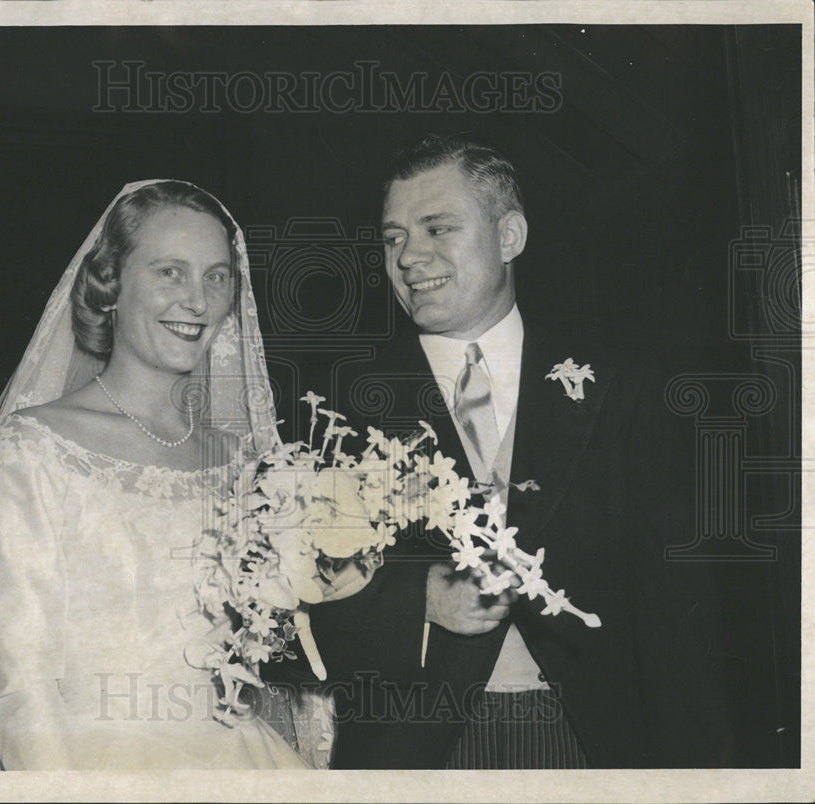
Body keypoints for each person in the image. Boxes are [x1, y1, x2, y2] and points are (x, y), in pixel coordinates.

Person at [0, 180, 328, 770]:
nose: (199, 301)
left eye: (216, 276)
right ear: (110, 287)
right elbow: (17, 684)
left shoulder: (244, 463)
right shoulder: (39, 448)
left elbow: (268, 653)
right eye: (169, 273)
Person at [301, 134, 731, 769]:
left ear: (509, 237)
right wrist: (416, 597)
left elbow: (679, 613)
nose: (409, 257)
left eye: (437, 227)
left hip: (591, 741)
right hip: (417, 747)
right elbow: (294, 595)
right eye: (393, 238)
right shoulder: (339, 405)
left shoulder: (623, 386)